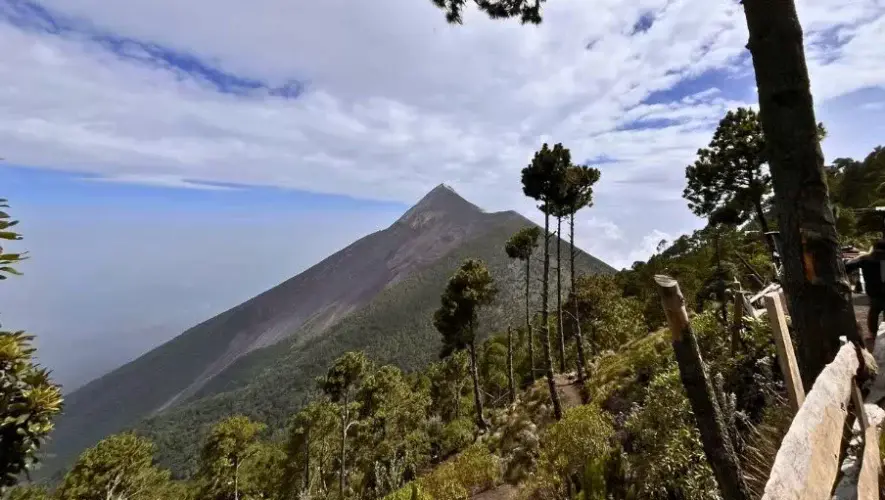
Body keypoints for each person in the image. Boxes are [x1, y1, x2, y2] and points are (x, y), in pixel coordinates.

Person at [845, 239, 885, 349]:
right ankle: (877, 334)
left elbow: (848, 267)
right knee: (875, 311)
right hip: (876, 292)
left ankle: (873, 335)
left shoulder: (867, 259)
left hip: (874, 291)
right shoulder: (866, 259)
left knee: (874, 311)